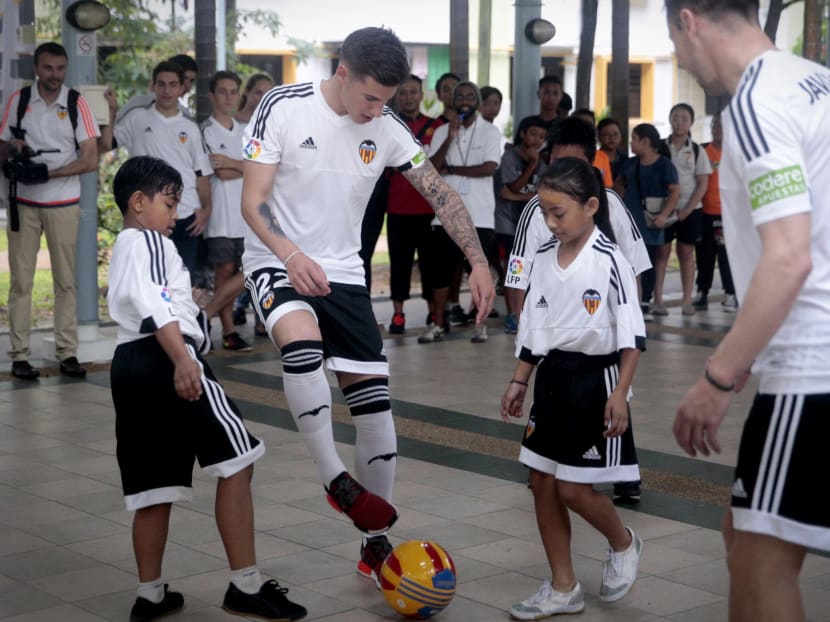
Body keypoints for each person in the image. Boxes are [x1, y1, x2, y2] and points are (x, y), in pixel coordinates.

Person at [240, 27, 495, 585]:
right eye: (370, 97)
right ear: (342, 74)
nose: (377, 109)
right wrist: (289, 254)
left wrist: (477, 261)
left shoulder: (387, 127)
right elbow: (252, 202)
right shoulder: (282, 108)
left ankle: (373, 544)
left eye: (387, 99)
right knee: (302, 347)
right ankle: (335, 478)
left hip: (346, 275)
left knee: (376, 411)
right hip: (277, 261)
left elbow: (442, 194)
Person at [669, 2, 830, 621]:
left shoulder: (756, 103)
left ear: (689, 21)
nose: (682, 60)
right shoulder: (812, 81)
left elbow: (789, 258)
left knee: (763, 563)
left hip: (811, 368)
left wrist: (718, 377)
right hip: (803, 363)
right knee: (743, 535)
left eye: (676, 43)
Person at [107, 156, 306, 622]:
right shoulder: (150, 241)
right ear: (139, 203)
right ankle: (246, 585)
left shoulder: (127, 246)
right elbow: (156, 308)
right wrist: (181, 359)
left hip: (130, 365)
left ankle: (150, 595)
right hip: (166, 359)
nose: (175, 215)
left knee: (153, 487)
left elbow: (166, 302)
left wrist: (214, 295)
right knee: (238, 460)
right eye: (170, 203)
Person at [502, 157, 645, 619]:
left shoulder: (611, 261)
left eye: (558, 213)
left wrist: (620, 392)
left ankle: (623, 543)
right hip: (552, 380)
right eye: (544, 212)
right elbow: (534, 327)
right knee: (542, 482)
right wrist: (519, 380)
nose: (550, 222)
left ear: (590, 206)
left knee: (574, 489)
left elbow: (632, 336)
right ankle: (564, 587)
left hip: (596, 380)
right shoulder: (542, 258)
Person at [0, 42, 100, 380]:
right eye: (47, 68)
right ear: (36, 69)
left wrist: (48, 173)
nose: (54, 75)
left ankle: (67, 353)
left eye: (59, 68)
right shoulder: (19, 101)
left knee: (65, 283)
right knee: (21, 283)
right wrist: (13, 149)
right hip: (23, 204)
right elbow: (1, 145)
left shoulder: (75, 103)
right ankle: (19, 355)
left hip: (63, 204)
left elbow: (90, 158)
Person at [507, 117, 652, 329]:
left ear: (590, 163)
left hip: (604, 338)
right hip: (551, 334)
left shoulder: (613, 205)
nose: (564, 172)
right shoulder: (534, 211)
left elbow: (633, 269)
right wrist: (526, 339)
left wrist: (631, 333)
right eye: (558, 163)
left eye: (573, 164)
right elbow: (518, 276)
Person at [111, 60, 213, 279]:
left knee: (182, 281)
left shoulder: (191, 126)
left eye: (173, 84)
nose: (167, 90)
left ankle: (178, 315)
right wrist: (110, 110)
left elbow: (202, 174)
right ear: (153, 86)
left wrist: (205, 211)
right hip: (144, 212)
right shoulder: (136, 117)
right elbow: (105, 144)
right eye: (162, 84)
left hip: (184, 216)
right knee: (145, 278)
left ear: (181, 88)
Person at [421, 79, 503, 344]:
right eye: (460, 96)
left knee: (479, 271)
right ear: (452, 102)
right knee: (440, 274)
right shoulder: (442, 130)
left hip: (479, 215)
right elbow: (432, 168)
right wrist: (450, 139)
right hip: (445, 216)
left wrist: (453, 170)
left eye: (470, 96)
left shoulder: (490, 131)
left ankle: (480, 325)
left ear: (478, 103)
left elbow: (489, 167)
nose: (465, 100)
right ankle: (438, 324)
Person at [386, 75, 444, 335]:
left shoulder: (437, 126)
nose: (408, 97)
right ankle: (398, 315)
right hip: (397, 207)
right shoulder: (387, 125)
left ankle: (434, 311)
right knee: (399, 264)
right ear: (397, 96)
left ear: (421, 95)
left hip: (428, 210)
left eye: (413, 92)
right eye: (404, 93)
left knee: (431, 265)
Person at [200, 70, 252, 352]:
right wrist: (242, 165)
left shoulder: (246, 131)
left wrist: (234, 163)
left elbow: (258, 170)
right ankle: (229, 331)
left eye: (233, 91)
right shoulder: (205, 130)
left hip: (247, 215)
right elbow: (219, 173)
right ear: (212, 95)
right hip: (221, 215)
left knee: (248, 270)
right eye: (223, 91)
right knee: (225, 270)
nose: (228, 97)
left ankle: (205, 316)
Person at [615, 123, 680, 319]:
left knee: (649, 261)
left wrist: (663, 215)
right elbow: (618, 182)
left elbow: (675, 190)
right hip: (631, 220)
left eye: (633, 139)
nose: (631, 144)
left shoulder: (664, 165)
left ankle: (645, 301)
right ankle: (634, 300)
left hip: (651, 221)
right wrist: (621, 201)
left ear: (645, 141)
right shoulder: (630, 164)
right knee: (631, 261)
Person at [494, 115, 547, 334]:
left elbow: (541, 193)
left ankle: (526, 311)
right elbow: (514, 187)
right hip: (509, 224)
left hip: (531, 224)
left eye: (542, 136)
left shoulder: (543, 162)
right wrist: (532, 165)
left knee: (530, 268)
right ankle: (513, 315)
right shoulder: (510, 157)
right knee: (514, 268)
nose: (537, 140)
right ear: (523, 133)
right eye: (533, 133)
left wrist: (517, 197)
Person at [232, 73, 275, 330]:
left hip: (265, 204)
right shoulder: (232, 124)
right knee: (235, 265)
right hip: (232, 206)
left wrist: (232, 164)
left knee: (264, 259)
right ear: (247, 93)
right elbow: (220, 167)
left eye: (267, 92)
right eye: (258, 91)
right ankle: (234, 311)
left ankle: (263, 317)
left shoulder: (273, 125)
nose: (262, 97)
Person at [662, 103, 712, 315]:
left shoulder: (698, 150)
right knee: (662, 253)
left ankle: (686, 300)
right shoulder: (660, 147)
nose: (679, 123)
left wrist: (688, 209)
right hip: (663, 209)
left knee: (685, 252)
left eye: (684, 118)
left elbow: (702, 183)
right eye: (675, 118)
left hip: (691, 209)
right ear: (670, 120)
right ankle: (656, 299)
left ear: (691, 122)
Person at [693, 112, 737, 312]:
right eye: (716, 127)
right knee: (704, 254)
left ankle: (731, 293)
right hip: (704, 213)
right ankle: (702, 291)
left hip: (726, 215)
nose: (719, 131)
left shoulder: (734, 153)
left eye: (723, 127)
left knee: (726, 255)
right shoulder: (703, 151)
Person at [115, 54, 198, 125]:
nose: (188, 85)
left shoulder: (185, 114)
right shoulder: (138, 105)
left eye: (191, 81)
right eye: (184, 78)